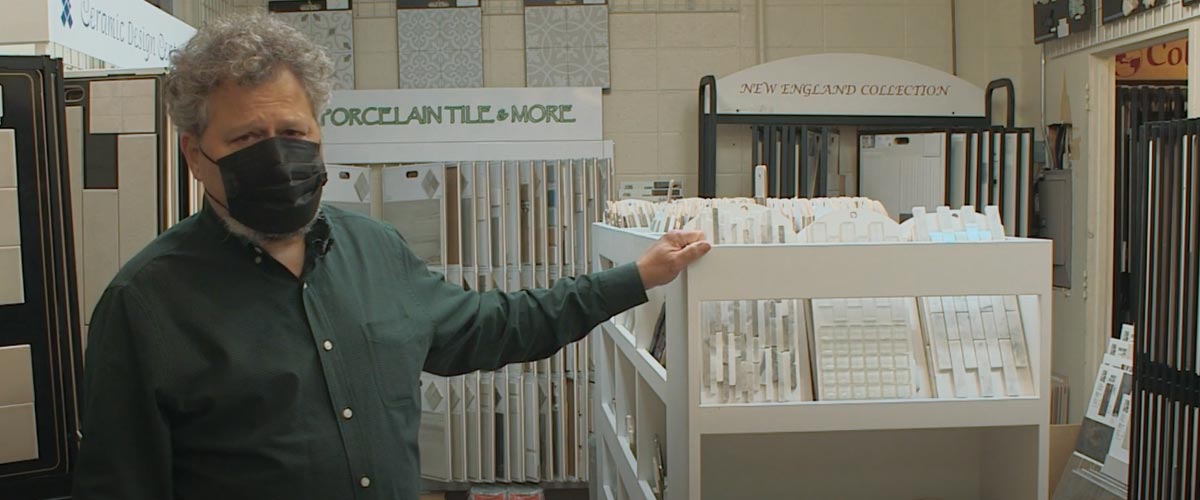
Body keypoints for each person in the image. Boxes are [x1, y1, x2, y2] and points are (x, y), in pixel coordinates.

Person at [71, 14, 710, 500]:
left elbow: (494, 325)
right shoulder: (146, 304)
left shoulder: (374, 250)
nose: (277, 153)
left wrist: (634, 278)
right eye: (246, 138)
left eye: (293, 133)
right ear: (194, 153)